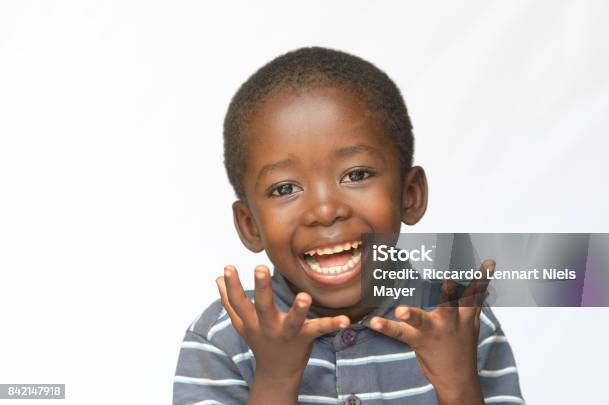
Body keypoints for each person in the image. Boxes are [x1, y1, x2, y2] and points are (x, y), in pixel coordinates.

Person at [173, 47, 523, 405]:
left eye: (356, 175)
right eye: (285, 189)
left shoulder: (458, 322)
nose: (325, 211)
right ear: (250, 225)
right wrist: (275, 379)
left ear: (410, 195)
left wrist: (458, 384)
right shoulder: (222, 339)